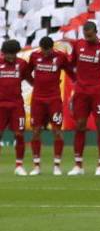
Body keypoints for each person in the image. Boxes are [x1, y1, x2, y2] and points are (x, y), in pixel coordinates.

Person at [69, 21, 100, 175]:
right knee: (80, 125)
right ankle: (78, 165)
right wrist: (76, 80)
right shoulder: (78, 45)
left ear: (96, 32)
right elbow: (71, 63)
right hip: (81, 92)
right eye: (85, 35)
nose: (87, 38)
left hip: (98, 92)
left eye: (90, 35)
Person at [26, 35, 68, 175]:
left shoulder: (60, 57)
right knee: (36, 131)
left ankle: (57, 165)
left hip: (54, 99)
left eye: (48, 50)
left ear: (52, 48)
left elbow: (70, 70)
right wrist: (34, 83)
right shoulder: (34, 56)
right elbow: (26, 72)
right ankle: (36, 166)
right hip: (37, 99)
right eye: (43, 50)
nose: (45, 53)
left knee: (57, 131)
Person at [0, 38, 26, 175]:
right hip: (1, 105)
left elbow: (30, 79)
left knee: (19, 134)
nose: (10, 56)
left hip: (17, 105)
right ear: (3, 53)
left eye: (12, 53)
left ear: (17, 53)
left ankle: (19, 165)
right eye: (7, 54)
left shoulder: (22, 64)